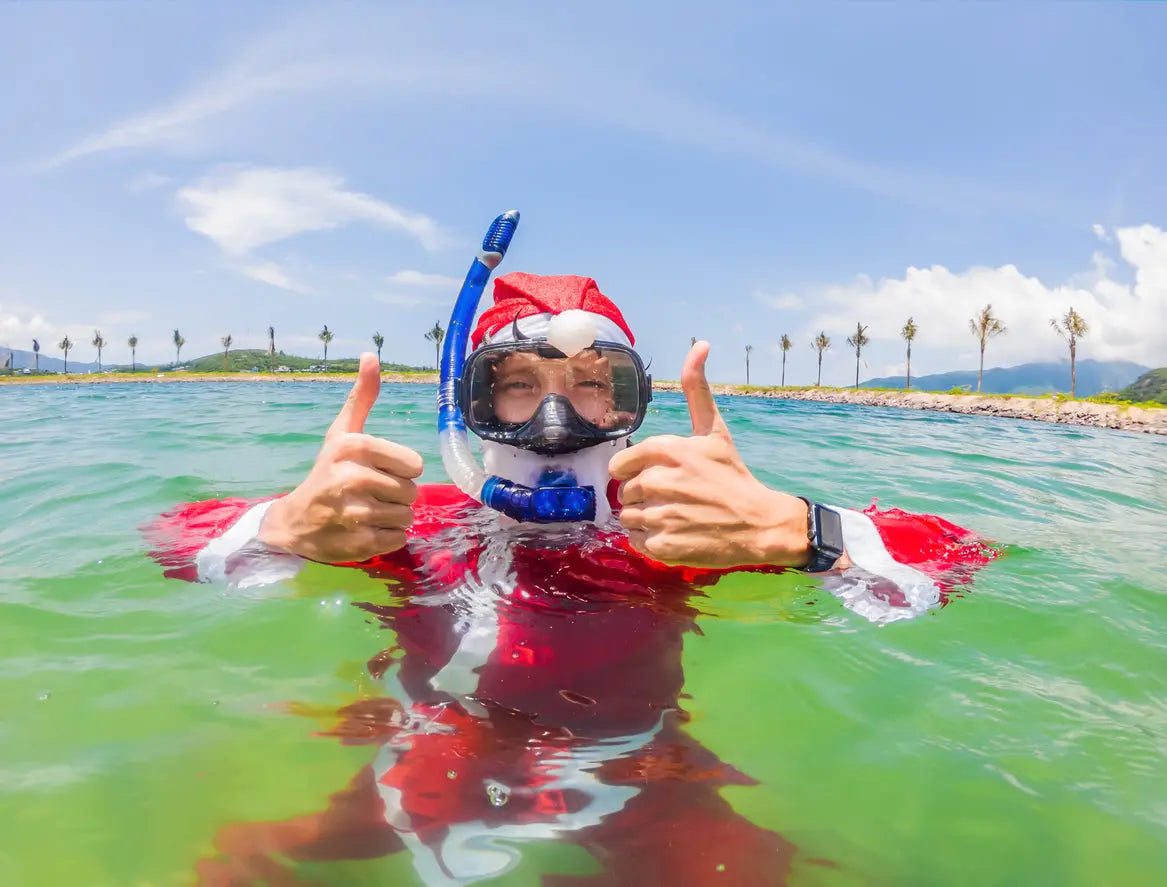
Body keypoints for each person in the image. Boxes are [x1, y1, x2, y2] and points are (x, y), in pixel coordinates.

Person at [146, 271, 998, 886]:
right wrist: (284, 525)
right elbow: (168, 540)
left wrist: (799, 531)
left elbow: (962, 556)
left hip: (639, 780)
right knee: (234, 863)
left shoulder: (682, 529)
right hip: (420, 765)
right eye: (516, 387)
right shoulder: (407, 522)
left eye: (595, 387)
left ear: (633, 406)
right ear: (468, 405)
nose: (557, 418)